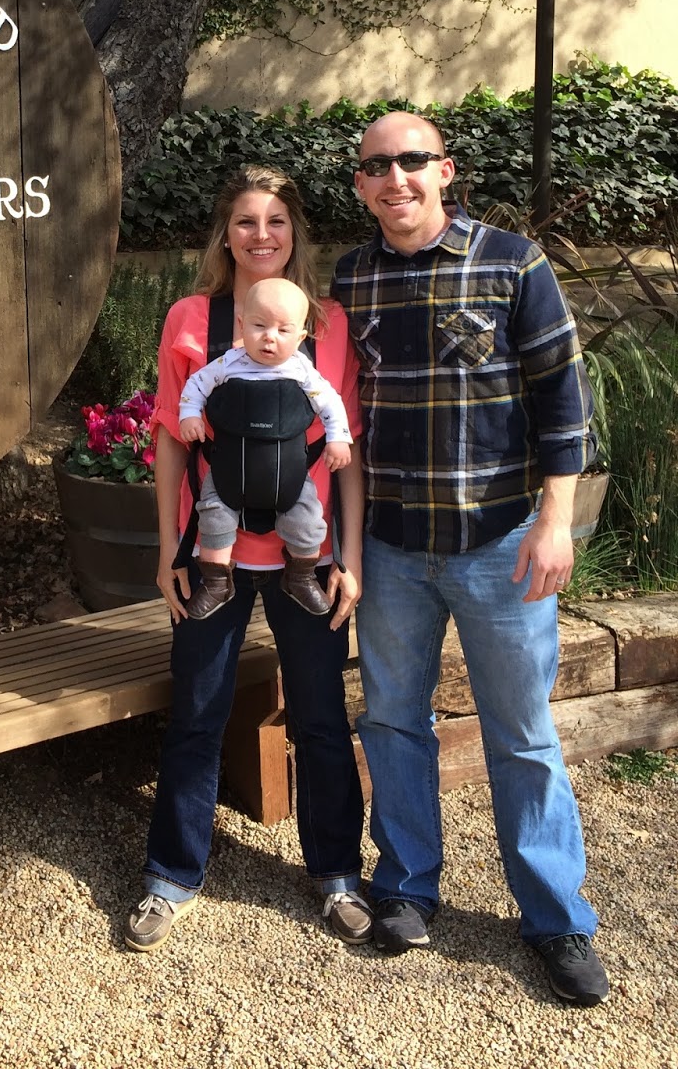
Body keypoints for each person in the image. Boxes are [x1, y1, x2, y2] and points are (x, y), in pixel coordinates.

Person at [331, 111, 610, 1006]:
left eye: (412, 161)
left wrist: (555, 520)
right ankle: (407, 887)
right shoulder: (351, 279)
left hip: (500, 545)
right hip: (393, 550)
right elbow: (339, 416)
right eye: (378, 167)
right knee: (392, 722)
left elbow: (563, 400)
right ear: (362, 185)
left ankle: (557, 918)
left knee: (523, 734)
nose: (396, 179)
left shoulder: (513, 262)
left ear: (445, 170)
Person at [125, 165, 369, 954]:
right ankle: (172, 875)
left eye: (276, 221)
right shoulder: (192, 320)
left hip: (308, 556)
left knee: (322, 719)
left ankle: (337, 875)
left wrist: (351, 557)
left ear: (295, 232)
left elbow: (349, 452)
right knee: (197, 713)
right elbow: (170, 438)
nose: (262, 235)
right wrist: (167, 550)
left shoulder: (327, 325)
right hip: (212, 557)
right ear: (224, 235)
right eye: (245, 221)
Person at [178, 278, 353, 619]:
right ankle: (216, 581)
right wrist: (190, 415)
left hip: (290, 474)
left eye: (283, 330)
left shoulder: (302, 370)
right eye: (259, 326)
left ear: (300, 337)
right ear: (242, 325)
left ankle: (300, 576)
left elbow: (331, 402)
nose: (270, 337)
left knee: (308, 520)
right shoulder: (228, 363)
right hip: (228, 470)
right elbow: (195, 385)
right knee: (212, 516)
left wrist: (338, 437)